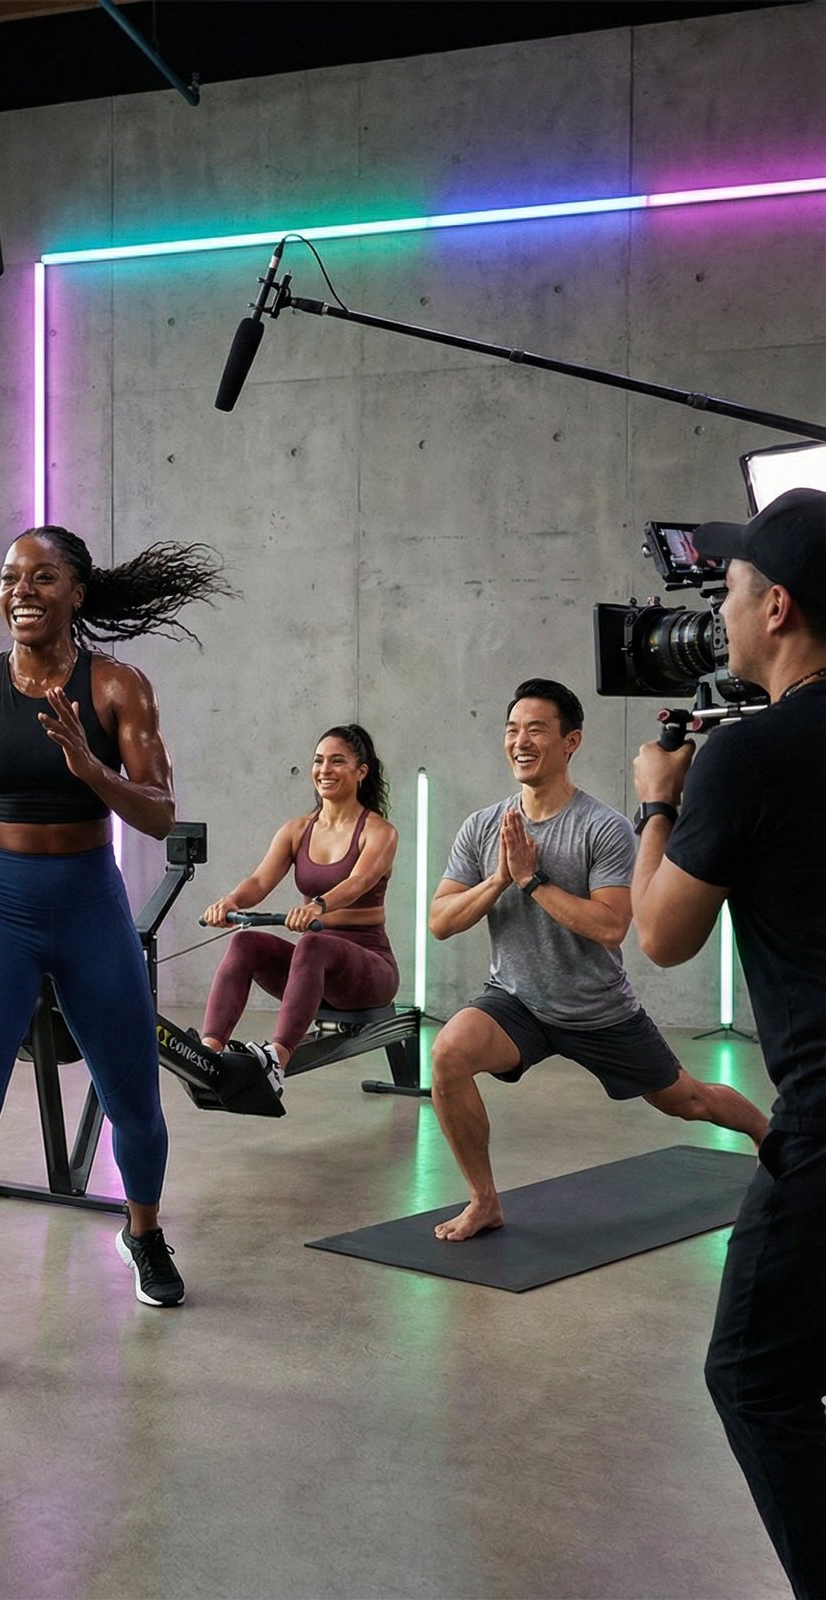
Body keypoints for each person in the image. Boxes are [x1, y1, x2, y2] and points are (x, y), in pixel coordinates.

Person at [0, 524, 227, 1396]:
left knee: (132, 1097)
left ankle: (142, 1233)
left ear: (78, 591)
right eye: (8, 577)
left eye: (42, 577)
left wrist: (88, 766)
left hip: (86, 905)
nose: (21, 590)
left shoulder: (116, 686)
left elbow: (157, 813)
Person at [631, 487, 826, 1599]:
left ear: (779, 608)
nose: (722, 617)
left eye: (735, 595)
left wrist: (663, 799)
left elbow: (661, 935)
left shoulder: (746, 759)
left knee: (753, 1374)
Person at [427, 676, 767, 1242]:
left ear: (571, 742)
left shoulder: (602, 828)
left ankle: (765, 1131)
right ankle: (484, 1201)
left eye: (537, 729)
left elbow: (611, 927)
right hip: (516, 1001)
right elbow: (441, 921)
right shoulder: (485, 827)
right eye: (512, 730)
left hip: (598, 1010)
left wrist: (533, 880)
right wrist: (498, 880)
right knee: (448, 1055)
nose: (521, 741)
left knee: (686, 1099)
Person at [199, 724, 399, 1085]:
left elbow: (359, 882)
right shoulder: (297, 830)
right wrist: (230, 900)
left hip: (369, 969)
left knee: (312, 944)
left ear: (361, 772)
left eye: (337, 761)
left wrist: (317, 906)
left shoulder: (379, 831)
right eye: (319, 761)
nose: (325, 770)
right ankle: (207, 1052)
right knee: (245, 942)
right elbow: (260, 881)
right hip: (315, 964)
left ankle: (277, 1060)